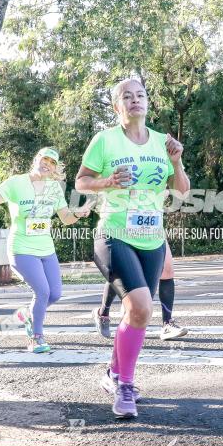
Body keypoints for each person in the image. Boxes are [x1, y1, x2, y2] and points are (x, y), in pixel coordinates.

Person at [76, 77, 189, 418]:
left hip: (152, 239)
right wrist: (107, 182)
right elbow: (81, 181)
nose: (135, 100)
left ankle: (112, 374)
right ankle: (125, 387)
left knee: (134, 313)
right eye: (128, 96)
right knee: (141, 309)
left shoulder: (161, 142)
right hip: (113, 234)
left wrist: (178, 161)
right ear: (117, 106)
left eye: (140, 95)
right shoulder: (105, 140)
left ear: (147, 102)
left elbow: (181, 191)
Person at [0, 147, 92, 353]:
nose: (47, 164)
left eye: (52, 162)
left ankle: (29, 315)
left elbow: (65, 217)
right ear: (36, 159)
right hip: (21, 248)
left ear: (55, 168)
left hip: (46, 248)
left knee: (54, 294)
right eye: (44, 159)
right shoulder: (16, 183)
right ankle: (36, 337)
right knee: (43, 291)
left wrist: (79, 213)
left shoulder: (55, 188)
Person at [92, 245, 186, 341]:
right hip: (127, 233)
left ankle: (167, 324)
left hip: (154, 232)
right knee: (121, 270)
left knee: (167, 270)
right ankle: (103, 314)